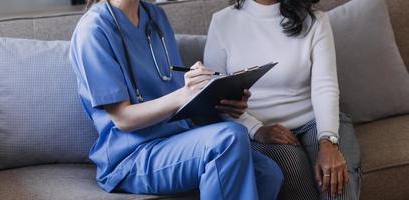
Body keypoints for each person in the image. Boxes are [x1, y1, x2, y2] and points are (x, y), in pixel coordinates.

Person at [69, 0, 284, 199]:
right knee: (228, 139)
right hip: (132, 156)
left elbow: (176, 90)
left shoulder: (155, 16)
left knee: (268, 173)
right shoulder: (93, 30)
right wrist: (184, 93)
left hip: (177, 136)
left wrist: (220, 96)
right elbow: (123, 119)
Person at [204, 0, 361, 199]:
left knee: (336, 187)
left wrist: (328, 141)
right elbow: (216, 97)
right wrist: (256, 129)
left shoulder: (315, 20)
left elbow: (325, 86)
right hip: (260, 128)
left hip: (317, 121)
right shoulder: (222, 22)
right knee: (294, 173)